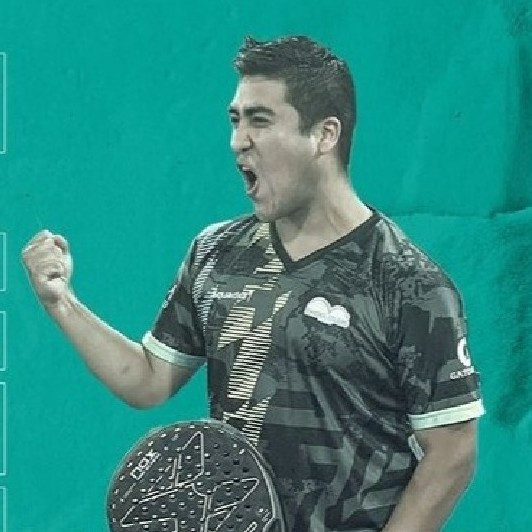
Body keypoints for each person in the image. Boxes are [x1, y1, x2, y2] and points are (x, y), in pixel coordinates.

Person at [22, 35, 484, 532]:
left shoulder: (407, 281)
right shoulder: (215, 251)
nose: (238, 140)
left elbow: (452, 451)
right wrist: (61, 302)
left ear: (324, 135)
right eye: (235, 120)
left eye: (259, 120)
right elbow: (148, 380)